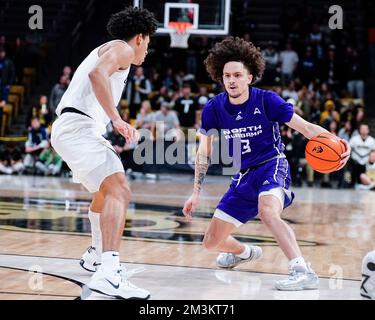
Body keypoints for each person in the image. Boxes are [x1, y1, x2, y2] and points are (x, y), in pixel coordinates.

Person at [182, 37, 351, 291]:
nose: (232, 80)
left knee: (268, 211)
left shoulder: (266, 100)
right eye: (227, 75)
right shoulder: (213, 108)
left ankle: (301, 269)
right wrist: (195, 192)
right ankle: (245, 252)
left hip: (272, 165)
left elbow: (304, 127)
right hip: (242, 176)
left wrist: (336, 141)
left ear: (250, 76)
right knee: (210, 242)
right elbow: (203, 152)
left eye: (238, 75)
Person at [51, 6, 157, 299]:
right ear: (139, 37)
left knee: (104, 192)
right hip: (78, 127)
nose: (147, 50)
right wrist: (117, 118)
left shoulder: (110, 48)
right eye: (148, 42)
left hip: (75, 129)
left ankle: (96, 257)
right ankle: (109, 273)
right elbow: (98, 75)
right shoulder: (123, 49)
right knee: (119, 191)